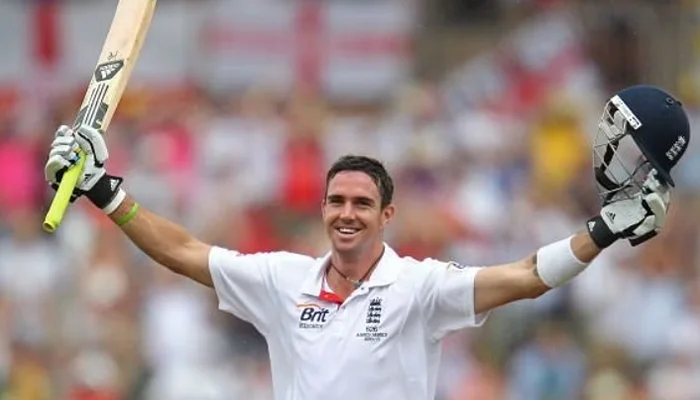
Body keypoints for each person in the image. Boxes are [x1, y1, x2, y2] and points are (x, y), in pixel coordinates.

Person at [44, 85, 689, 400]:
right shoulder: (280, 280)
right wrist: (105, 191)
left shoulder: (420, 287)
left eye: (361, 204)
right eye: (336, 201)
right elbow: (182, 251)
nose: (346, 214)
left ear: (387, 215)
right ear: (323, 209)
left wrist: (600, 232)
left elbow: (523, 274)